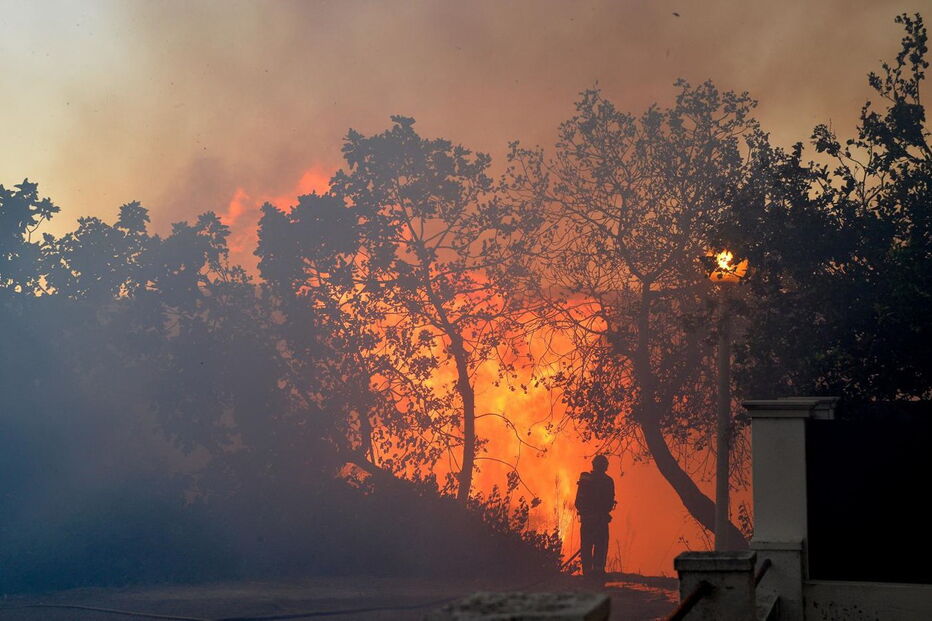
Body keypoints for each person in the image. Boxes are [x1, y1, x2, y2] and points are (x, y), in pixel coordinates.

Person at [574, 454, 615, 577]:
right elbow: (609, 503)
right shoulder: (608, 481)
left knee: (586, 546)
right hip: (600, 521)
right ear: (605, 466)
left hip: (587, 521)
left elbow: (578, 503)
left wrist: (588, 514)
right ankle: (597, 573)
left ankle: (588, 572)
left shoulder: (586, 480)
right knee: (600, 546)